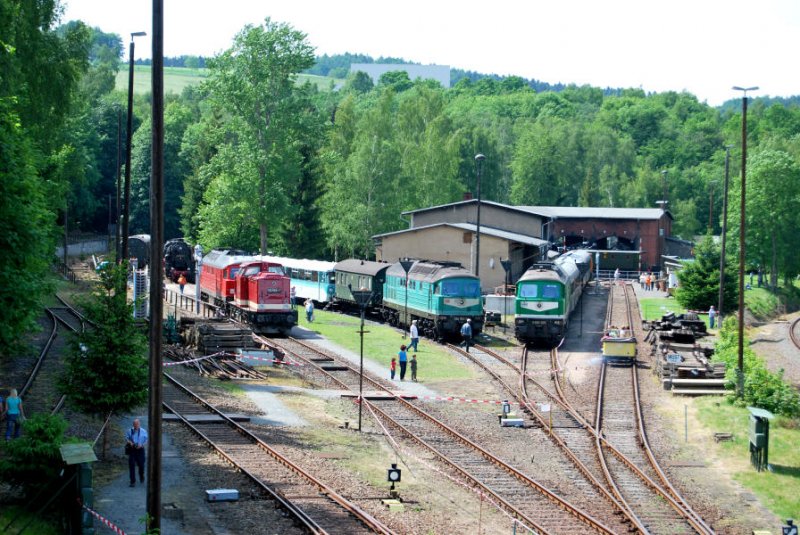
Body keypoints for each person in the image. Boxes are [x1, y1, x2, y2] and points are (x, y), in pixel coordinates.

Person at [125, 419, 148, 487]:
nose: (136, 425)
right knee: (131, 465)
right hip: (132, 449)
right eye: (135, 424)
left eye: (137, 424)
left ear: (139, 424)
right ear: (133, 424)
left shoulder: (143, 431)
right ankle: (132, 482)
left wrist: (142, 445)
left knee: (141, 465)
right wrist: (130, 442)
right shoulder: (130, 431)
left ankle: (141, 476)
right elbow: (126, 438)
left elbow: (146, 440)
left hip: (140, 449)